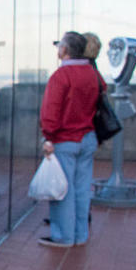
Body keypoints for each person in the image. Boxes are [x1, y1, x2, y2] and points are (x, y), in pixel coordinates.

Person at [38, 31, 99, 248]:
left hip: (65, 139)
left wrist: (48, 137)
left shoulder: (61, 76)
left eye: (59, 46)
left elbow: (51, 110)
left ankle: (63, 236)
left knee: (63, 191)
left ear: (65, 49)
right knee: (82, 189)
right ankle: (80, 234)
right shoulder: (92, 73)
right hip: (87, 137)